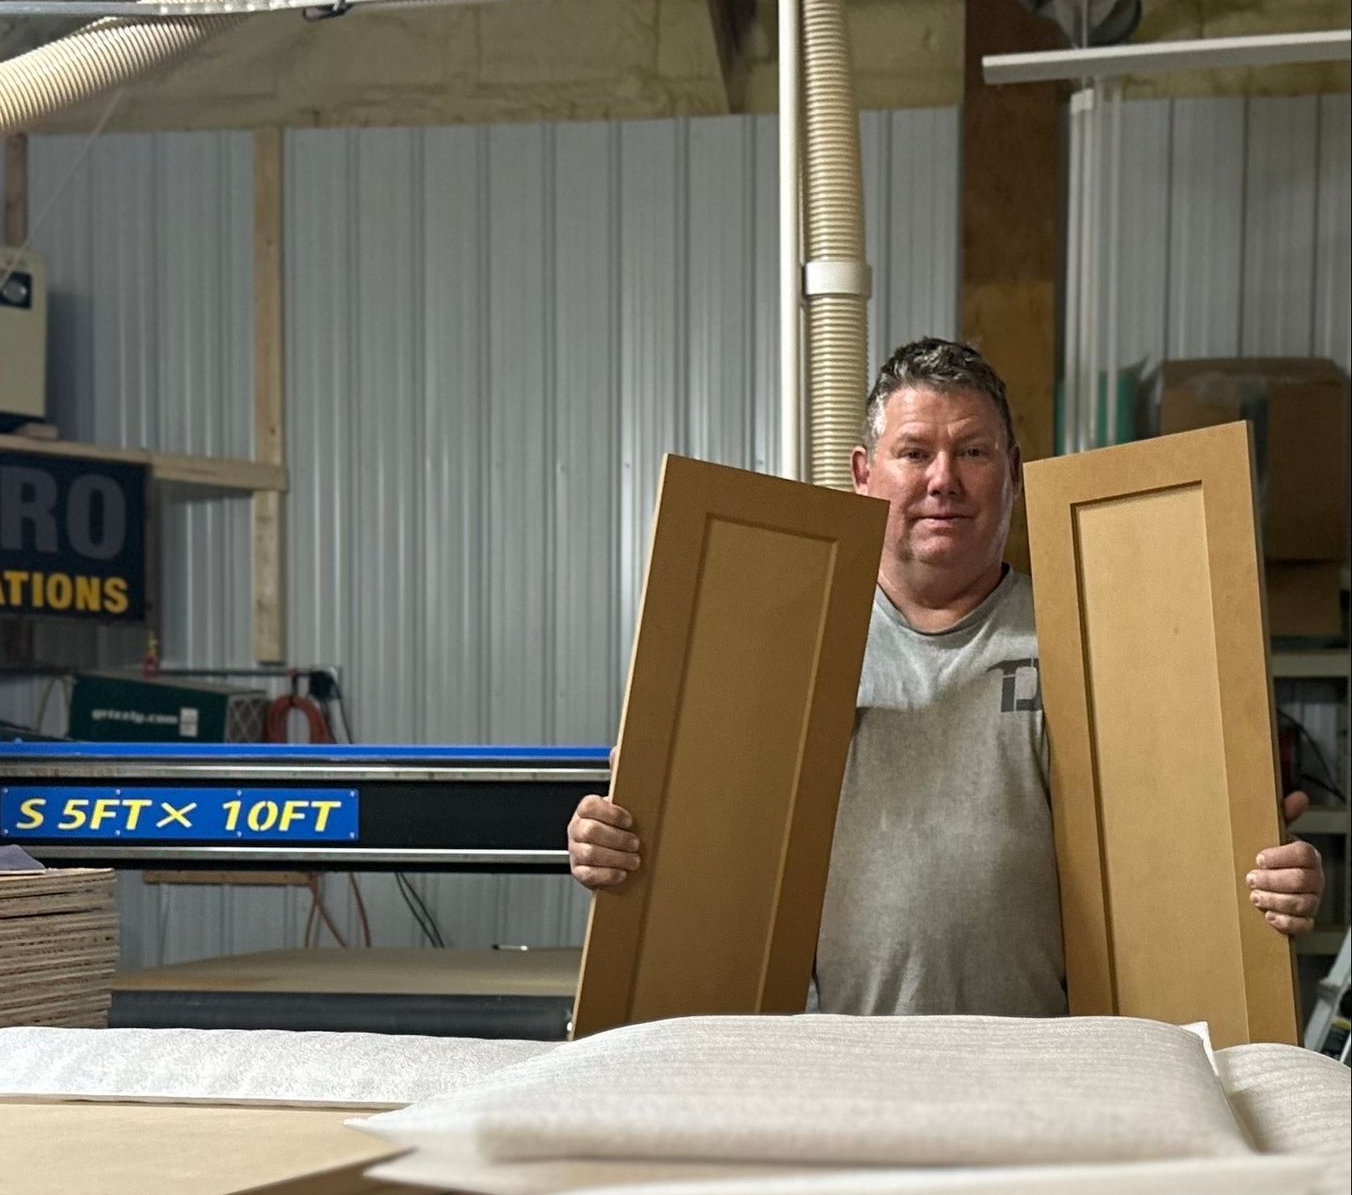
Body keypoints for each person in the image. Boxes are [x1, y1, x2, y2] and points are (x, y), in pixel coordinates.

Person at [567, 337, 1325, 1015]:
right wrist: (616, 846)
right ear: (865, 475)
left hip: (1048, 1070)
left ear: (1014, 475)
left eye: (973, 452)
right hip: (834, 1067)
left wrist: (1264, 884)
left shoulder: (1093, 635)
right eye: (915, 452)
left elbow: (1182, 850)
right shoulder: (785, 647)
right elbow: (698, 839)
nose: (943, 480)